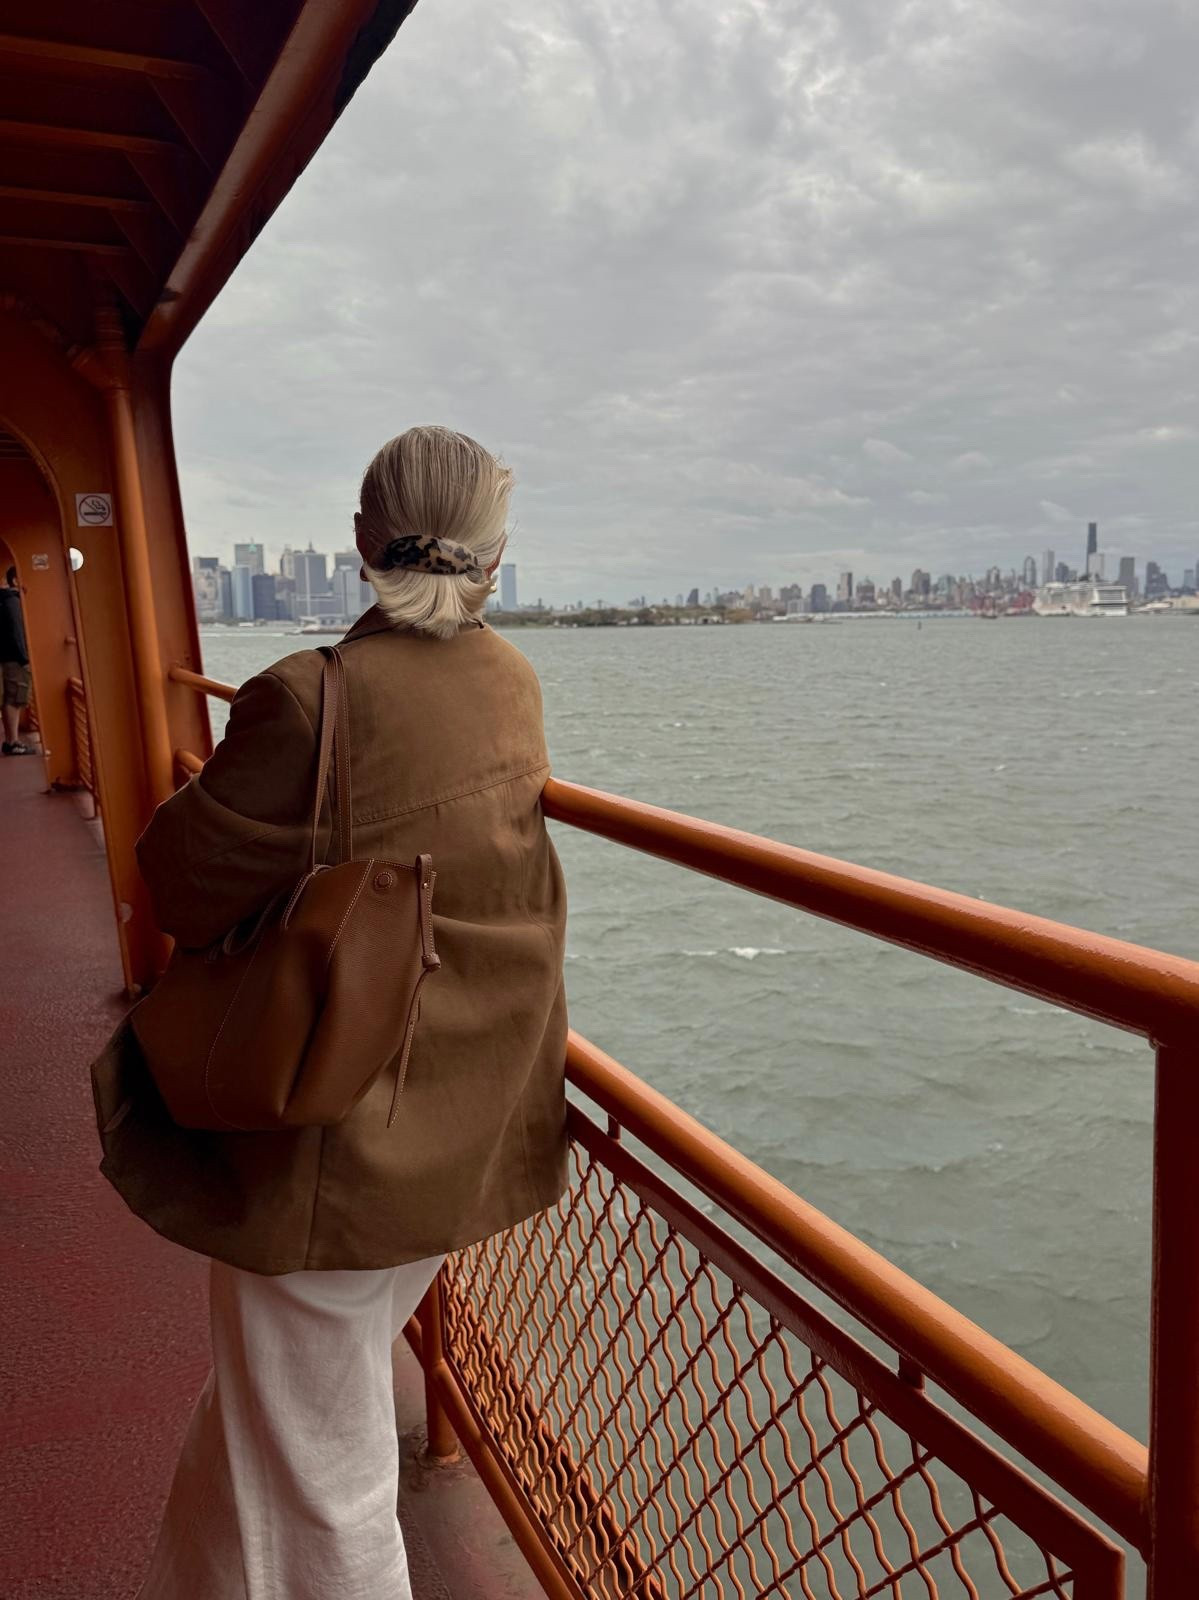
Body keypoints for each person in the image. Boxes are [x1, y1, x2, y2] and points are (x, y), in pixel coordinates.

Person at [90, 427, 570, 1600]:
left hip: (324, 1140)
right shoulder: (511, 681)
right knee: (273, 1415)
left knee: (321, 1472)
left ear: (362, 545)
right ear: (494, 556)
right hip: (461, 1130)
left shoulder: (308, 698)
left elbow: (182, 877)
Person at [1, 564, 34, 755]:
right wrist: (24, 659)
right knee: (15, 697)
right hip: (15, 658)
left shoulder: (4, 600)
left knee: (10, 698)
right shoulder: (13, 602)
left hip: (7, 656)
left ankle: (11, 740)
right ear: (15, 581)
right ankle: (12, 741)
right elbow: (17, 632)